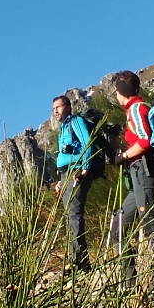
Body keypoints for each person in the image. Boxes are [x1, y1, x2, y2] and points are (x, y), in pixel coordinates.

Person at [110, 71, 154, 280]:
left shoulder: (136, 109)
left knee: (151, 226)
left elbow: (145, 140)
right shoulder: (135, 111)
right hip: (137, 177)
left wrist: (123, 155)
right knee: (118, 226)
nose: (115, 95)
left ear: (122, 92)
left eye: (116, 91)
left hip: (144, 172)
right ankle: (131, 281)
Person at [52, 94, 96, 271]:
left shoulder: (75, 122)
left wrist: (85, 167)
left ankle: (81, 263)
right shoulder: (63, 129)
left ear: (68, 107)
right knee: (69, 216)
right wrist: (61, 179)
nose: (55, 111)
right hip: (66, 175)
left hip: (76, 172)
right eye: (53, 108)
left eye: (59, 107)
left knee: (74, 215)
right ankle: (74, 259)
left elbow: (87, 142)